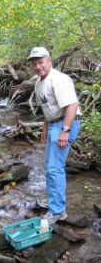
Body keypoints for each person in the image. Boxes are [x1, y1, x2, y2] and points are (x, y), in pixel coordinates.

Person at [29, 46, 81, 224]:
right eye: (34, 64)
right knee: (50, 167)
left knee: (54, 168)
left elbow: (72, 106)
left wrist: (65, 131)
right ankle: (55, 205)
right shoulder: (39, 83)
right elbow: (47, 109)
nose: (38, 66)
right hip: (53, 125)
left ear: (49, 61)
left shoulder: (58, 79)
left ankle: (58, 211)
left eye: (41, 62)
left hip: (65, 124)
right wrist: (45, 129)